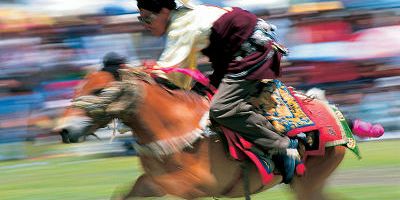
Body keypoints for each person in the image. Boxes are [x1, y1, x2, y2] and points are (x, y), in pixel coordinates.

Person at [136, 0, 298, 183]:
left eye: (147, 18)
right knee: (197, 97)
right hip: (232, 58)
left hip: (251, 54)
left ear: (165, 11)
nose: (145, 25)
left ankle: (282, 146)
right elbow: (177, 76)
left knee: (221, 108)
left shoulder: (181, 26)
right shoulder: (182, 19)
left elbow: (168, 73)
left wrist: (139, 80)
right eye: (140, 19)